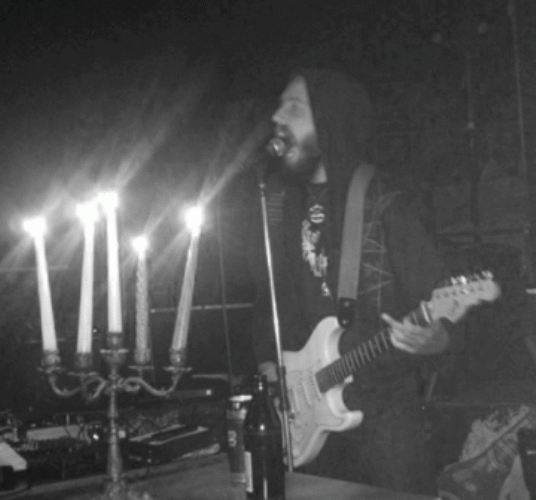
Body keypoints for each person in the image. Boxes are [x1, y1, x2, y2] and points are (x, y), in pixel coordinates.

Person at [246, 67, 460, 495]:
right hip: (304, 411)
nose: (277, 117)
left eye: (294, 108)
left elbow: (442, 304)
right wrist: (269, 363)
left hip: (384, 414)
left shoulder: (386, 200)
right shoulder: (279, 201)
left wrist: (435, 338)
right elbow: (268, 298)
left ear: (330, 121)